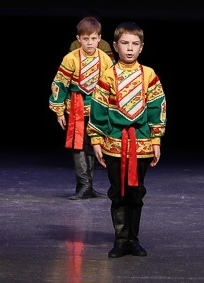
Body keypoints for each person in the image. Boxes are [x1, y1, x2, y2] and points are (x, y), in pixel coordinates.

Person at [89, 21, 166, 258]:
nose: (130, 49)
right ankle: (121, 240)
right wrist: (95, 140)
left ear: (142, 47)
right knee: (118, 191)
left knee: (136, 191)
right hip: (115, 141)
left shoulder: (149, 74)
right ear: (115, 46)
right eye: (124, 43)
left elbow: (156, 107)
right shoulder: (108, 75)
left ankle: (134, 238)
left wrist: (156, 141)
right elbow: (98, 108)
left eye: (135, 44)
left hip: (141, 141)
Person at [49, 16, 114, 199]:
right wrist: (59, 111)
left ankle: (90, 186)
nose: (90, 43)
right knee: (78, 144)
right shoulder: (71, 59)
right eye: (86, 39)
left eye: (93, 38)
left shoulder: (105, 60)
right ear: (79, 39)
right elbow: (60, 84)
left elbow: (110, 86)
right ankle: (83, 184)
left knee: (93, 145)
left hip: (97, 108)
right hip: (76, 107)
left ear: (99, 38)